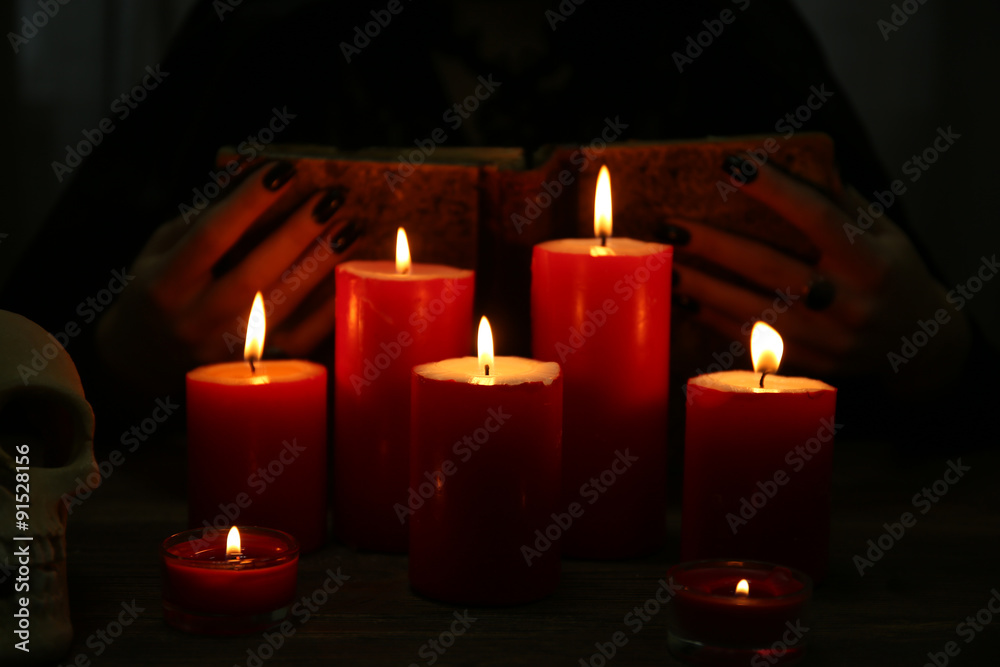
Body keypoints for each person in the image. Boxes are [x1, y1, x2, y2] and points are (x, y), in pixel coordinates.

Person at [0, 0, 989, 447]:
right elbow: (24, 362)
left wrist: (928, 348)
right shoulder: (267, 38)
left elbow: (944, 385)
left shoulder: (727, 33)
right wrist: (121, 361)